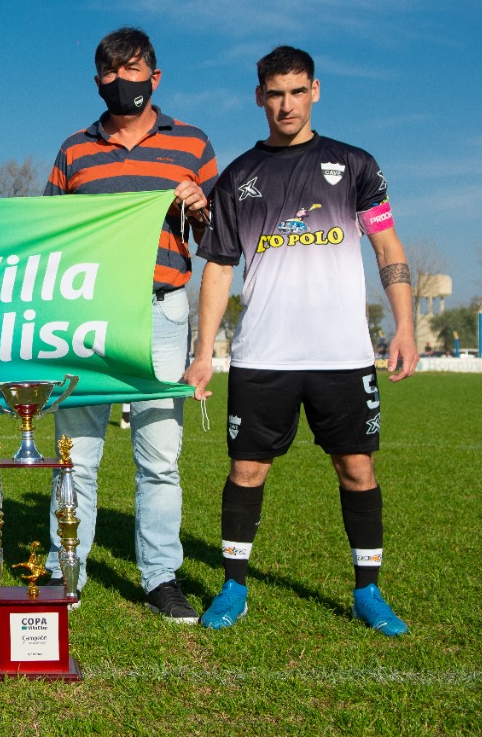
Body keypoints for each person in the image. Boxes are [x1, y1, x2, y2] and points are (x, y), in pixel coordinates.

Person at [184, 45, 417, 636]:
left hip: (343, 354)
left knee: (357, 468)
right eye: (275, 93)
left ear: (315, 90)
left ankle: (369, 591)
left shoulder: (355, 164)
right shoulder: (238, 177)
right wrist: (203, 351)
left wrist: (405, 326)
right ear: (259, 96)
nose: (286, 104)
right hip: (264, 354)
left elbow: (387, 249)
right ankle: (233, 586)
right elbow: (218, 267)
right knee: (246, 471)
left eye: (297, 91)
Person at [41, 26, 215, 621]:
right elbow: (48, 236)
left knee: (160, 456)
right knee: (77, 454)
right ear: (98, 81)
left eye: (134, 70)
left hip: (163, 309)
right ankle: (69, 572)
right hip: (89, 312)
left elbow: (220, 237)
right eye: (111, 73)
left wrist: (200, 206)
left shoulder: (191, 144)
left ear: (156, 77)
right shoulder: (74, 150)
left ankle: (161, 575)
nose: (123, 82)